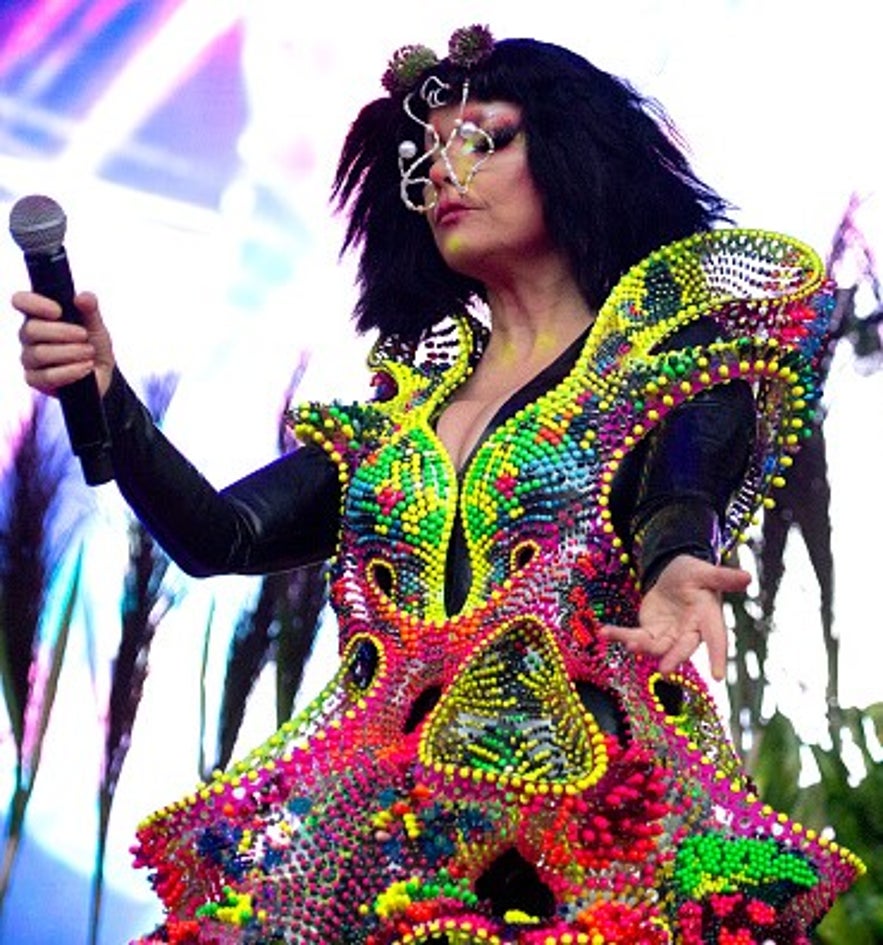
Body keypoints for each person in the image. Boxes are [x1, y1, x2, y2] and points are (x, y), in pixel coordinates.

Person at [14, 25, 862, 945]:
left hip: (582, 831)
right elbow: (221, 534)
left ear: (574, 157)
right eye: (426, 160)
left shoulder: (657, 370)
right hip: (381, 839)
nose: (446, 175)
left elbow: (678, 488)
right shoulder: (388, 429)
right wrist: (105, 388)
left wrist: (674, 567)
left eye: (485, 140)